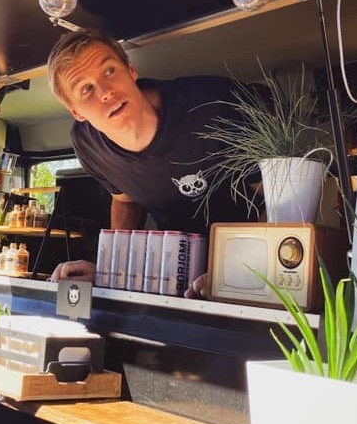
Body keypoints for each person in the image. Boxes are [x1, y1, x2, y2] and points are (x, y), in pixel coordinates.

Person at [46, 29, 262, 297]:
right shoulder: (88, 144)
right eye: (86, 89)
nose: (106, 92)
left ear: (131, 70)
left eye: (109, 71)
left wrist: (241, 270)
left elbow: (278, 197)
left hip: (255, 264)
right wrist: (109, 272)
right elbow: (125, 199)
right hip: (175, 271)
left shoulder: (215, 105)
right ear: (77, 112)